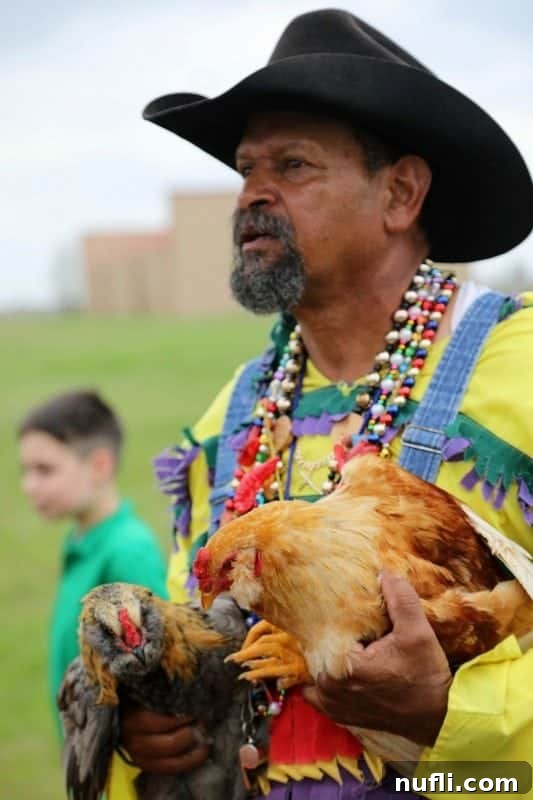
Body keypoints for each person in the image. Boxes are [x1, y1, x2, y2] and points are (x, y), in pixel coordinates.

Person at [116, 9, 533, 799]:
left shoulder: (524, 369)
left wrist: (448, 712)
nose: (253, 196)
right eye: (245, 169)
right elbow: (190, 626)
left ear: (400, 193)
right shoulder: (229, 420)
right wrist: (157, 725)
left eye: (294, 165)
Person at [18, 389, 169, 732]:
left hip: (122, 769)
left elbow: (159, 672)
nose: (29, 486)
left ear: (99, 465)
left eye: (45, 470)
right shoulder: (79, 540)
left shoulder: (128, 551)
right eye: (25, 470)